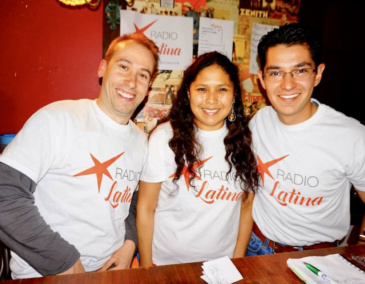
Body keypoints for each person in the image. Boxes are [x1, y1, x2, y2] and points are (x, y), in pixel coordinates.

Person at [0, 33, 159, 278]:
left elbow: (132, 201)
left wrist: (130, 243)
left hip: (108, 273)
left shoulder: (141, 141)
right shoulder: (57, 119)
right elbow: (4, 194)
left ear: (148, 87)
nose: (131, 82)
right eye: (124, 66)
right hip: (45, 274)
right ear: (103, 68)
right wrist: (65, 262)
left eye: (142, 75)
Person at [246, 23, 365, 256]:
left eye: (300, 71)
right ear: (261, 79)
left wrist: (361, 244)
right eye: (276, 72)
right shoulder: (259, 121)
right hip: (256, 246)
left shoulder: (352, 135)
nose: (287, 84)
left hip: (318, 256)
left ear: (318, 74)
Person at [137, 51, 259, 267]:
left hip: (221, 266)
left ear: (234, 96)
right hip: (165, 264)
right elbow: (146, 207)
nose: (211, 99)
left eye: (222, 89)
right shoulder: (165, 137)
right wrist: (146, 270)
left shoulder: (247, 140)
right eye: (202, 89)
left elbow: (246, 207)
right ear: (188, 92)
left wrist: (237, 262)